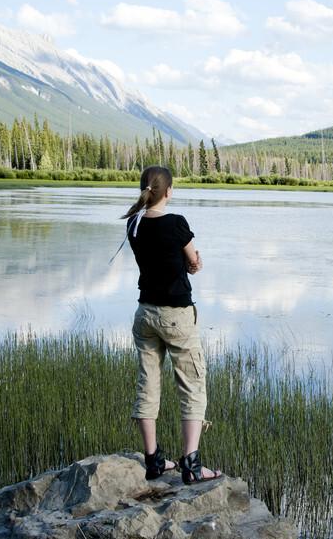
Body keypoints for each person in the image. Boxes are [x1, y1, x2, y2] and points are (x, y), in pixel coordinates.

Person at [121, 165, 223, 484]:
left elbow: (158, 259)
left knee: (148, 381)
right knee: (192, 383)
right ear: (168, 192)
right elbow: (193, 261)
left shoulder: (134, 224)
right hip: (176, 314)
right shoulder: (177, 223)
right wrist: (193, 265)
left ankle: (153, 461)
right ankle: (191, 466)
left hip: (146, 312)